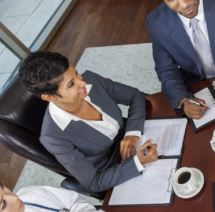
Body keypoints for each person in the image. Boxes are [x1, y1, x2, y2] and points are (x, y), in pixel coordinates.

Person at [18, 51, 158, 193]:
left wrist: (132, 133)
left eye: (76, 73)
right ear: (49, 97)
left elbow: (135, 95)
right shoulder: (53, 137)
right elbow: (93, 183)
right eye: (71, 84)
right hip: (115, 167)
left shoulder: (91, 79)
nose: (82, 82)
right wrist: (138, 162)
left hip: (136, 133)